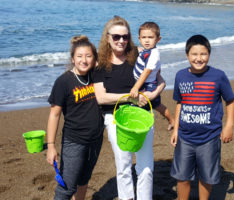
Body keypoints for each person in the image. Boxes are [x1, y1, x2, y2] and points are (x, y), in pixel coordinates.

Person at [93, 16, 165, 200]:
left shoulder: (138, 55)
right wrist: (131, 98)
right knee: (124, 167)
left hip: (142, 116)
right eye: (116, 36)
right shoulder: (100, 64)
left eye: (125, 37)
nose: (121, 41)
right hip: (115, 118)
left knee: (146, 167)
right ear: (107, 37)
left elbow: (160, 80)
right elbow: (101, 97)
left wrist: (153, 94)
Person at [170, 34, 234, 200]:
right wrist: (175, 130)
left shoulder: (218, 76)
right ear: (187, 55)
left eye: (203, 54)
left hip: (209, 137)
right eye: (194, 54)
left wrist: (229, 125)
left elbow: (231, 100)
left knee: (206, 177)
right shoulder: (180, 76)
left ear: (209, 55)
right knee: (182, 176)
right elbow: (180, 103)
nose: (199, 58)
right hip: (185, 137)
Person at [46, 35, 104, 200]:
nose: (83, 60)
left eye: (88, 56)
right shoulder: (63, 82)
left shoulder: (95, 76)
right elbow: (54, 115)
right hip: (74, 141)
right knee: (66, 187)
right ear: (72, 59)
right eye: (79, 56)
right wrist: (51, 146)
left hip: (96, 139)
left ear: (94, 59)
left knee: (84, 180)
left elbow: (110, 60)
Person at [130, 21, 174, 131]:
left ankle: (171, 120)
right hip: (142, 81)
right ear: (139, 38)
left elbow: (146, 72)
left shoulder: (154, 54)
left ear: (158, 39)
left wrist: (136, 87)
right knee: (155, 105)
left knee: (155, 104)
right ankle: (171, 119)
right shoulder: (146, 50)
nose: (147, 40)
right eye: (143, 37)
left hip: (148, 84)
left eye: (150, 37)